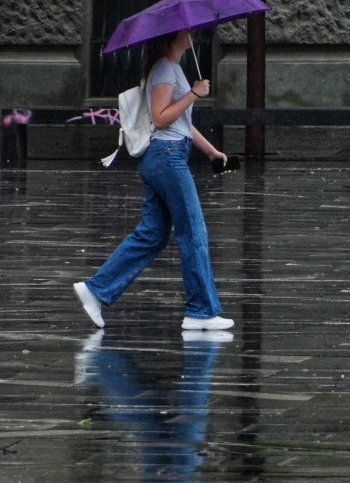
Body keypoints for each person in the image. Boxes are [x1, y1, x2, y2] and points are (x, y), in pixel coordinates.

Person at [74, 29, 234, 332]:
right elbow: (161, 118)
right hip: (167, 158)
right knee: (193, 230)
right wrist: (194, 94)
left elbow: (181, 121)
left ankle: (95, 290)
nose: (193, 34)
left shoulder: (170, 69)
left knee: (153, 234)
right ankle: (200, 311)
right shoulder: (165, 69)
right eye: (188, 30)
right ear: (174, 35)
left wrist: (212, 152)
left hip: (165, 156)